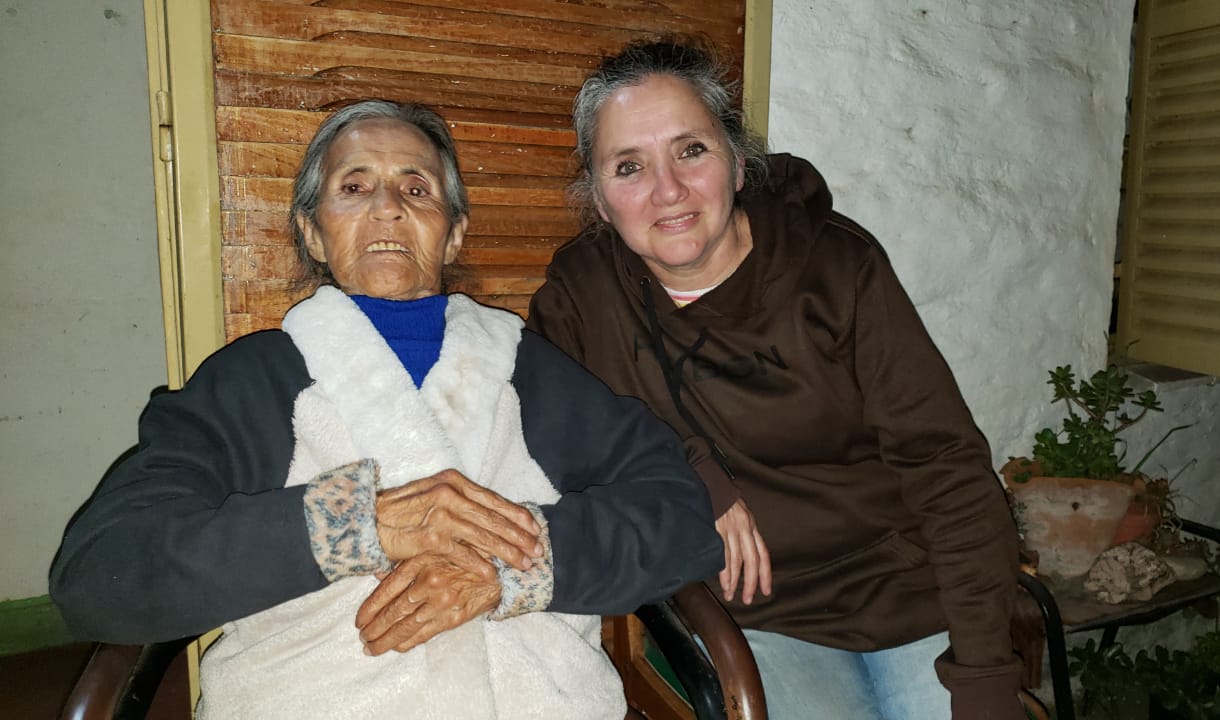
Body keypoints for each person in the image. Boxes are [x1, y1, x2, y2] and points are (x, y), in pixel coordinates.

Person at [49, 99, 723, 720]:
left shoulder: (531, 372)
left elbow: (678, 513)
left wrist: (512, 567)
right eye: (354, 187)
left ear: (452, 234)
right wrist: (353, 525)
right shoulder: (251, 381)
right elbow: (101, 571)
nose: (388, 207)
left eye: (416, 188)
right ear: (314, 234)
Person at [526, 38, 1025, 720]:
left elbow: (945, 464)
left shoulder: (836, 266)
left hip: (905, 589)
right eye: (629, 166)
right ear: (600, 197)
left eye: (691, 150)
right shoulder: (581, 296)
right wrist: (691, 472)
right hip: (747, 619)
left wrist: (986, 674)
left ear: (736, 161)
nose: (667, 190)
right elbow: (564, 438)